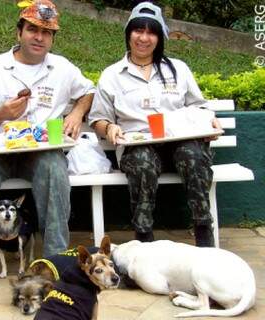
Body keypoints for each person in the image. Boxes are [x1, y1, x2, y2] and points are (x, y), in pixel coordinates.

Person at [0, 0, 95, 284]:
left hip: (41, 151)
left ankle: (56, 257)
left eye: (47, 33)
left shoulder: (62, 68)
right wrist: (0, 114)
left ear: (52, 38)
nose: (39, 37)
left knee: (54, 169)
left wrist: (77, 111)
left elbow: (87, 91)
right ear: (18, 32)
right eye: (32, 29)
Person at [88, 1, 221, 246]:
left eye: (152, 32)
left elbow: (198, 105)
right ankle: (143, 237)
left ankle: (204, 230)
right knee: (142, 161)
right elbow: (98, 117)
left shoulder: (178, 69)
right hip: (138, 144)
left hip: (179, 140)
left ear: (160, 38)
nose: (144, 38)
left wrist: (207, 119)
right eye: (139, 30)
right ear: (128, 34)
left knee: (192, 154)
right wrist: (109, 128)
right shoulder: (112, 75)